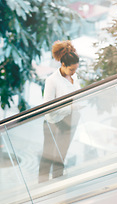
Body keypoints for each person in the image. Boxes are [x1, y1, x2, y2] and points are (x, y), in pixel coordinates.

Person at [39, 40, 81, 183]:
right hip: (54, 123)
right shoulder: (52, 81)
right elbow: (47, 107)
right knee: (48, 155)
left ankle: (57, 183)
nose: (74, 73)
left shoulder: (74, 77)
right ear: (63, 65)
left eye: (76, 70)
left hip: (70, 120)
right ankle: (42, 184)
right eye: (71, 70)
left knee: (61, 155)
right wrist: (69, 107)